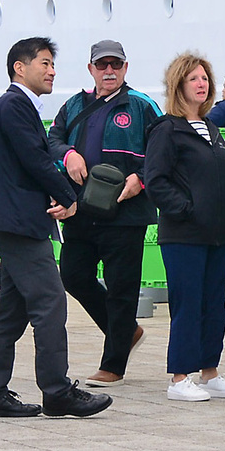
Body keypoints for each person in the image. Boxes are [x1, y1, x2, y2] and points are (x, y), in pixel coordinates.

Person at [0, 37, 112, 419]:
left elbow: (31, 161)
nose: (52, 70)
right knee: (50, 301)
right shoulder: (14, 104)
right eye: (45, 63)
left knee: (11, 310)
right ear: (20, 67)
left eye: (53, 64)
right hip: (17, 222)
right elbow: (34, 159)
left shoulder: (19, 106)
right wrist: (69, 196)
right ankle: (57, 390)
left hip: (16, 220)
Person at [48, 40, 162, 388]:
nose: (109, 71)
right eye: (102, 65)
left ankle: (113, 364)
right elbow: (51, 141)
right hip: (81, 209)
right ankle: (126, 331)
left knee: (121, 289)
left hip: (126, 213)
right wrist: (68, 154)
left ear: (126, 68)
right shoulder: (74, 105)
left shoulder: (143, 106)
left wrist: (140, 180)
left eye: (115, 65)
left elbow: (161, 153)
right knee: (73, 275)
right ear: (91, 69)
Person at [145, 53, 225, 402]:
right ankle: (179, 377)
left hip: (217, 234)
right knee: (188, 303)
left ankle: (210, 370)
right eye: (193, 79)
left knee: (215, 303)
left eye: (205, 78)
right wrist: (186, 210)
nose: (201, 84)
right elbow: (155, 181)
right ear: (179, 85)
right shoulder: (167, 129)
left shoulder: (212, 129)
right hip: (184, 235)